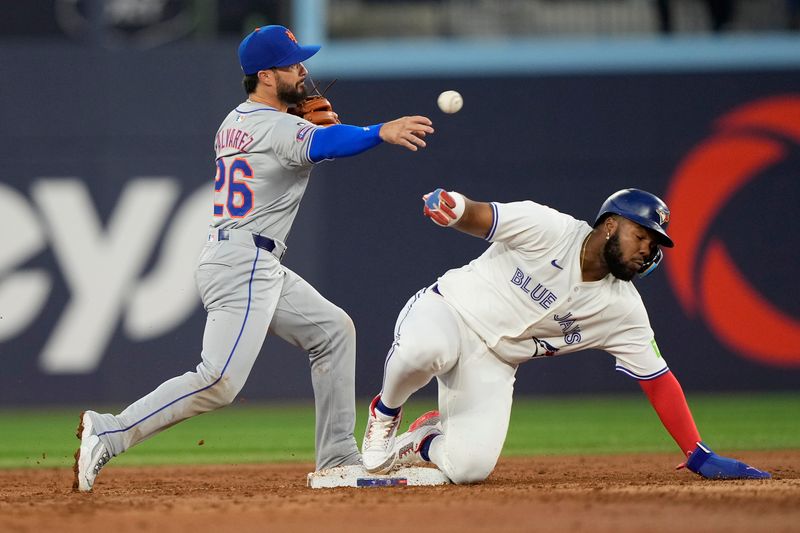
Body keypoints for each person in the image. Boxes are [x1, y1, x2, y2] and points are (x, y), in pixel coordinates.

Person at [73, 25, 434, 492]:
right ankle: (110, 431)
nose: (303, 71)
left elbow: (301, 143)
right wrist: (379, 131)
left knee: (333, 331)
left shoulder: (235, 120)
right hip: (244, 262)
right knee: (219, 381)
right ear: (266, 75)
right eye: (292, 65)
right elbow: (324, 144)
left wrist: (308, 127)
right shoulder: (277, 126)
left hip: (245, 258)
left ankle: (339, 457)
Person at [361, 187, 771, 483]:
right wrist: (454, 209)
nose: (648, 249)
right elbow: (480, 215)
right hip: (449, 311)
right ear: (610, 225)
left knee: (469, 468)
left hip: (494, 361)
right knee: (424, 350)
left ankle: (424, 439)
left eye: (655, 244)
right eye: (641, 236)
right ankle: (386, 411)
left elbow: (658, 381)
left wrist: (697, 453)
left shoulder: (622, 309)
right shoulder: (549, 228)